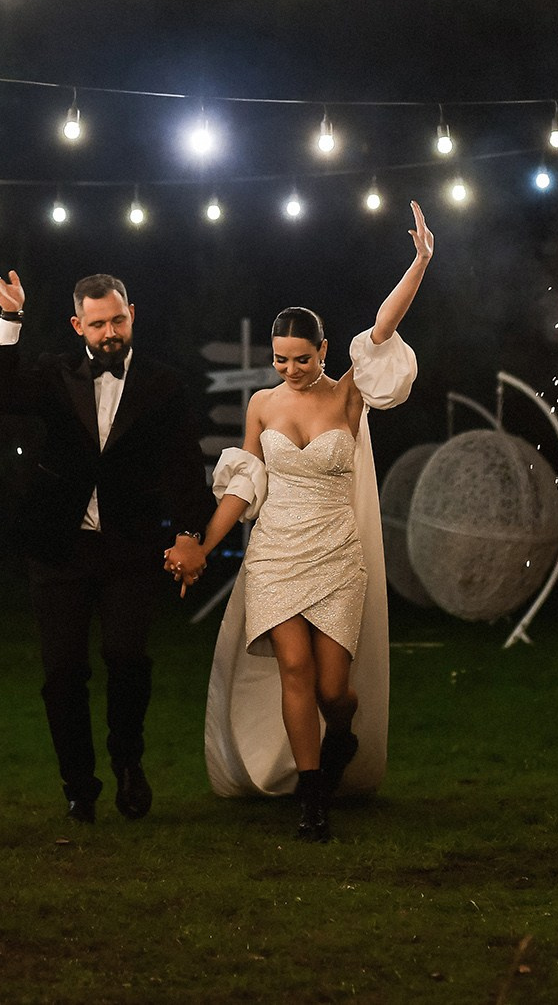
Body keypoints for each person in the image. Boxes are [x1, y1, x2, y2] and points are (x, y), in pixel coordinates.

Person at [190, 203, 432, 841]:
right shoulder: (262, 404)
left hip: (335, 552)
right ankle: (312, 797)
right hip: (274, 551)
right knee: (293, 670)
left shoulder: (350, 394)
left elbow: (382, 329)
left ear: (323, 350)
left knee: (332, 688)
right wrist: (204, 544)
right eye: (281, 359)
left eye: (302, 357)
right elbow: (243, 484)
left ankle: (343, 732)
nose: (291, 369)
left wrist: (420, 261)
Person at [0, 258, 218, 824]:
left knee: (128, 658)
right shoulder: (52, 373)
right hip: (59, 546)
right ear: (76, 326)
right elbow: (1, 392)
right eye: (97, 325)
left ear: (131, 315)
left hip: (132, 547)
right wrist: (11, 317)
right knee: (62, 670)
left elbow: (186, 467)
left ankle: (128, 763)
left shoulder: (164, 384)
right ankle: (76, 782)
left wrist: (190, 535)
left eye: (117, 321)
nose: (109, 333)